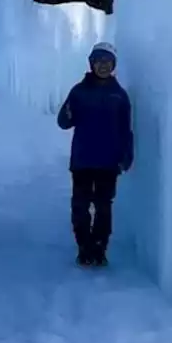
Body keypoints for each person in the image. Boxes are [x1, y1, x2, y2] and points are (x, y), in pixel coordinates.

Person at [57, 41, 134, 267]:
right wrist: (68, 113)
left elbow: (125, 130)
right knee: (80, 205)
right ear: (91, 63)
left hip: (108, 162)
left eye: (107, 62)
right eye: (99, 61)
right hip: (82, 160)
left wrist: (126, 156)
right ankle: (84, 246)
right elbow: (63, 122)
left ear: (113, 65)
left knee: (103, 206)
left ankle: (99, 247)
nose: (103, 66)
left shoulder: (120, 96)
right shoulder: (79, 92)